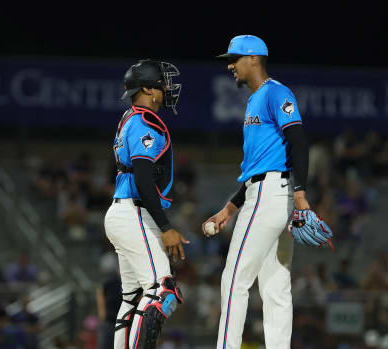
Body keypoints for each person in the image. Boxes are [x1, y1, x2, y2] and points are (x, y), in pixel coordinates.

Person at [205, 35, 328, 349]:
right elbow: (257, 170)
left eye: (235, 59)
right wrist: (228, 210)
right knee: (275, 285)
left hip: (273, 195)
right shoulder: (255, 100)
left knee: (234, 279)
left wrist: (301, 194)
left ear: (254, 59)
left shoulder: (276, 92)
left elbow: (298, 140)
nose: (230, 65)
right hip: (267, 193)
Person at [104, 59, 187, 349]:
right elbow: (142, 177)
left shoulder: (130, 116)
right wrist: (165, 227)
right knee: (162, 290)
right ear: (149, 89)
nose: (167, 88)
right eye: (162, 83)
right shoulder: (144, 122)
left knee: (133, 299)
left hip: (124, 211)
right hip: (133, 211)